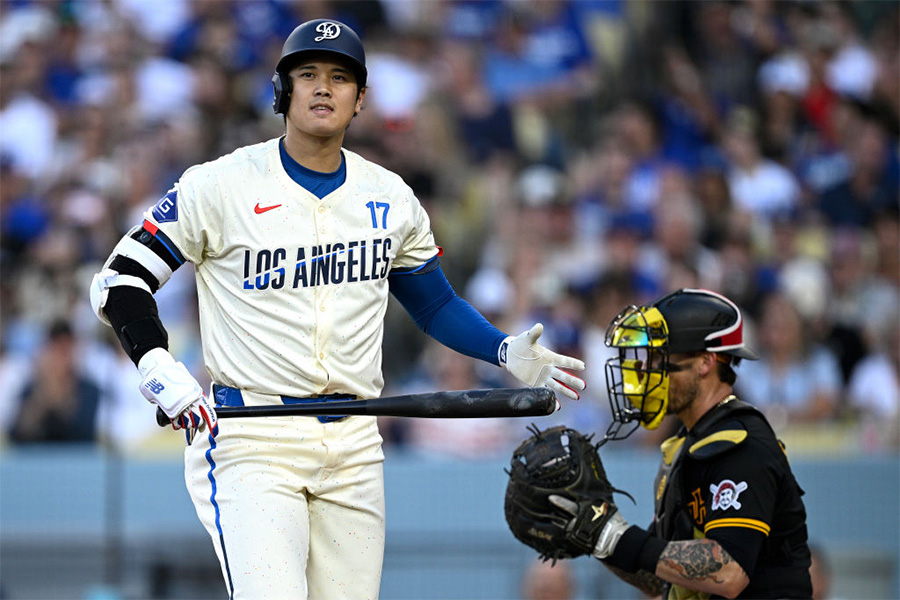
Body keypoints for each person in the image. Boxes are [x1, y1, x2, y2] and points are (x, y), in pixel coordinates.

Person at [88, 18, 585, 599]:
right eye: (308, 74)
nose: (323, 87)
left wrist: (500, 349)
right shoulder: (217, 185)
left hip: (354, 442)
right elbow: (120, 280)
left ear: (360, 99)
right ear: (283, 90)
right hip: (253, 439)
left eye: (340, 77)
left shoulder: (391, 197)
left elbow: (434, 304)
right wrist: (156, 365)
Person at [563, 288, 812, 598]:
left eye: (659, 358)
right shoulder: (686, 446)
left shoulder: (742, 445)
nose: (646, 370)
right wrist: (591, 531)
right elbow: (659, 577)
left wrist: (617, 538)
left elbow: (727, 570)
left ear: (705, 362)